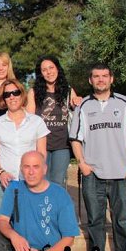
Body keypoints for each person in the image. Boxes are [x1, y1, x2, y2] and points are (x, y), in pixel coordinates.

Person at [69, 63, 126, 251]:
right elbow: (76, 139)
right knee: (95, 220)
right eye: (96, 76)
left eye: (104, 76)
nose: (100, 79)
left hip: (121, 174)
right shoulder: (83, 106)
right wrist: (82, 163)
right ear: (90, 80)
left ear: (112, 79)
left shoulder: (125, 103)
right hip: (94, 175)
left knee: (122, 220)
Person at [0, 79, 49, 211]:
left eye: (15, 92)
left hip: (30, 179)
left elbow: (42, 152)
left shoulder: (37, 122)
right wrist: (0, 172)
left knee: (30, 218)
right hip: (3, 180)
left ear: (22, 94)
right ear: (3, 99)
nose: (12, 97)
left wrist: (38, 173)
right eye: (7, 94)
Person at [26, 55, 81, 187]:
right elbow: (29, 118)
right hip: (40, 144)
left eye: (51, 67)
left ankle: (56, 207)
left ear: (57, 68)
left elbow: (76, 108)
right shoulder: (34, 92)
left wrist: (77, 101)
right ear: (40, 73)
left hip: (62, 145)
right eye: (44, 70)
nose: (49, 72)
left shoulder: (68, 90)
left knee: (58, 182)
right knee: (41, 180)